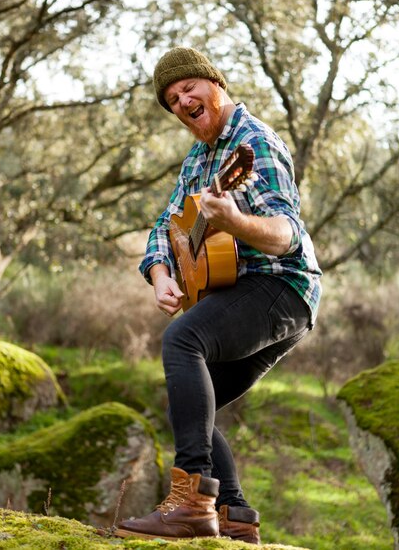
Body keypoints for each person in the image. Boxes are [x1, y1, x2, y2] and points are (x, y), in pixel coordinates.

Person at [115, 47, 322, 544]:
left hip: (280, 285)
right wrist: (162, 273)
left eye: (188, 88)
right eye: (171, 99)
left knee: (182, 341)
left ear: (214, 84)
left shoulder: (254, 143)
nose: (182, 101)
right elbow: (168, 225)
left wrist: (235, 221)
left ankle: (190, 505)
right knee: (190, 405)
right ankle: (235, 515)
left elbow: (286, 234)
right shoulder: (197, 157)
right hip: (244, 290)